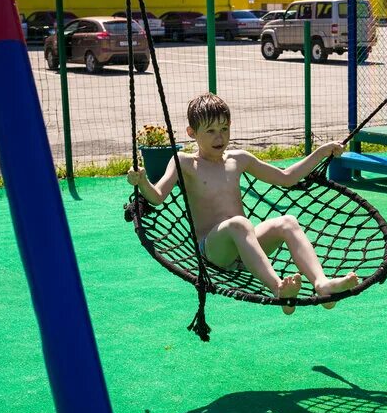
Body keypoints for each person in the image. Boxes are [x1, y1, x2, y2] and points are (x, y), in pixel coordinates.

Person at [127, 92, 359, 315]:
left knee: (287, 222)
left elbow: (286, 177)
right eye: (210, 131)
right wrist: (142, 181)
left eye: (224, 129)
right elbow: (157, 197)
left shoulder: (238, 159)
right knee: (238, 223)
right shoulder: (186, 163)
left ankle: (321, 283)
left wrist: (321, 152)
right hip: (214, 251)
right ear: (191, 133)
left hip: (246, 249)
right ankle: (278, 288)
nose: (220, 137)